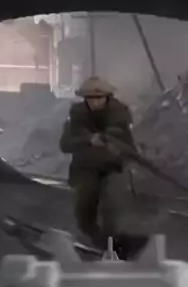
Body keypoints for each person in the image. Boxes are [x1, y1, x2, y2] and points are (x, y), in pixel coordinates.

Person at [60, 76, 145, 258]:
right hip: (86, 168)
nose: (95, 102)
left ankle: (115, 246)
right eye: (90, 98)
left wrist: (117, 147)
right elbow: (65, 144)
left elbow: (130, 145)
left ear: (107, 97)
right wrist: (88, 140)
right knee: (84, 211)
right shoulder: (76, 117)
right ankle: (96, 241)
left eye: (99, 98)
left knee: (115, 207)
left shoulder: (119, 115)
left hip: (113, 167)